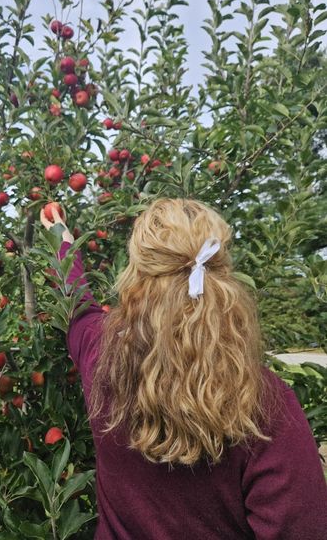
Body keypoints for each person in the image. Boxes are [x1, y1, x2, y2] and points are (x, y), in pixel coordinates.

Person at [40, 197, 327, 539]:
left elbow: (79, 309)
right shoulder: (267, 405)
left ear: (135, 279)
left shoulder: (103, 359)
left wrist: (61, 238)